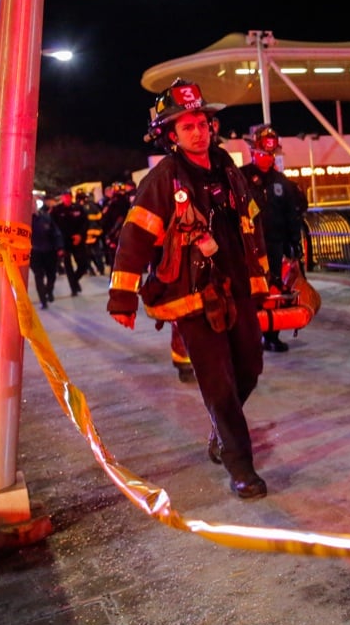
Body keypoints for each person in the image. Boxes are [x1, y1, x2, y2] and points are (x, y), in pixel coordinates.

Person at [106, 78, 271, 501]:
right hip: (192, 294)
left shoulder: (229, 169)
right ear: (171, 135)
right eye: (188, 126)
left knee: (250, 367)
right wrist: (122, 297)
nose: (198, 132)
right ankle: (240, 466)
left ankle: (220, 429)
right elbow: (135, 238)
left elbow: (253, 225)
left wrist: (264, 278)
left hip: (237, 288)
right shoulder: (162, 180)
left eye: (202, 123)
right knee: (219, 384)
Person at [240, 125, 309, 352]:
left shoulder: (281, 182)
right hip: (248, 248)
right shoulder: (240, 178)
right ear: (253, 152)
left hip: (275, 245)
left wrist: (294, 243)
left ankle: (271, 335)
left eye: (271, 154)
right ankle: (250, 337)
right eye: (263, 153)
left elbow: (292, 214)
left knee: (274, 291)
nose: (268, 158)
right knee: (249, 292)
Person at [50, 190, 90, 296]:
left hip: (77, 240)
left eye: (68, 196)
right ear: (62, 198)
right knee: (68, 266)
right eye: (65, 197)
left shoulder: (78, 208)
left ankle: (74, 280)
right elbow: (53, 226)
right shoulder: (57, 210)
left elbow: (85, 222)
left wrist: (80, 235)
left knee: (83, 264)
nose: (67, 198)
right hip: (64, 242)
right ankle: (73, 288)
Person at [29, 196, 64, 309]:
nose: (32, 205)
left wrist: (59, 247)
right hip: (34, 253)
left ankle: (49, 290)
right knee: (39, 275)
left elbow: (56, 232)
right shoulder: (25, 221)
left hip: (49, 251)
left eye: (33, 203)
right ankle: (43, 299)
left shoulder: (45, 217)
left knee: (51, 275)